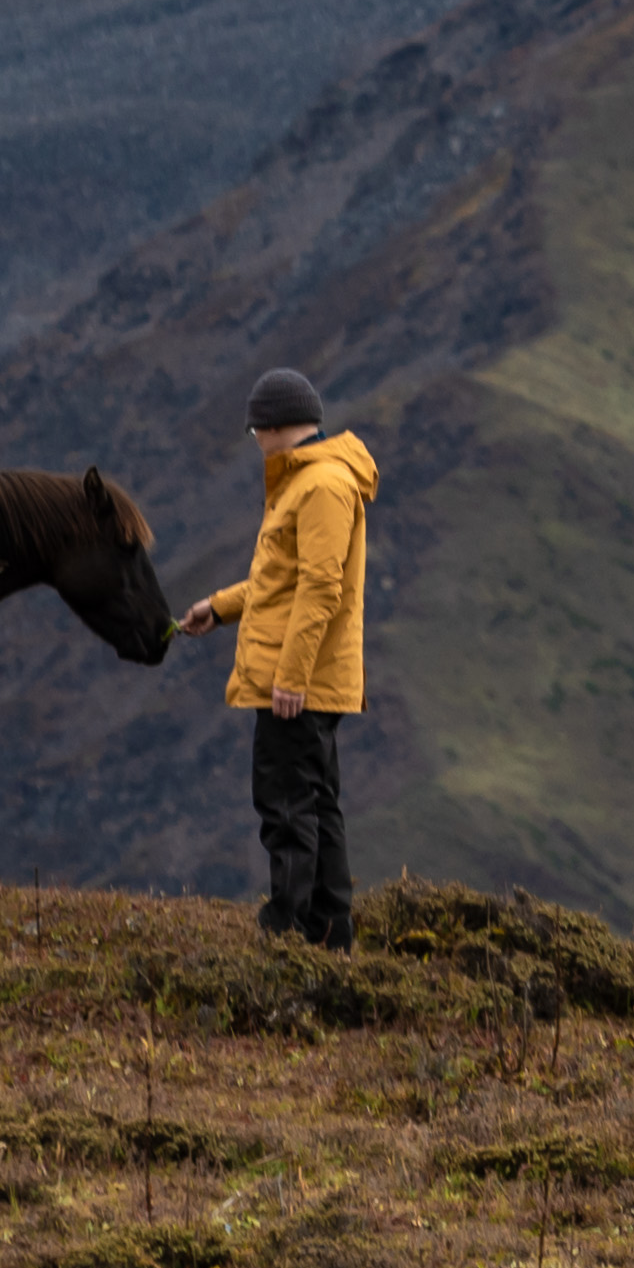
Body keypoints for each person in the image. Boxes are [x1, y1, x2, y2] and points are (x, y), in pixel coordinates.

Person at [176, 366, 380, 943]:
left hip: (299, 682)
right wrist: (218, 608)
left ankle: (288, 928)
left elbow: (321, 588)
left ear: (270, 428)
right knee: (315, 800)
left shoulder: (320, 487)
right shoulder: (308, 482)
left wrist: (290, 678)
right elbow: (280, 583)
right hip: (304, 677)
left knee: (286, 803)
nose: (255, 443)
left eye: (254, 432)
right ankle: (329, 929)